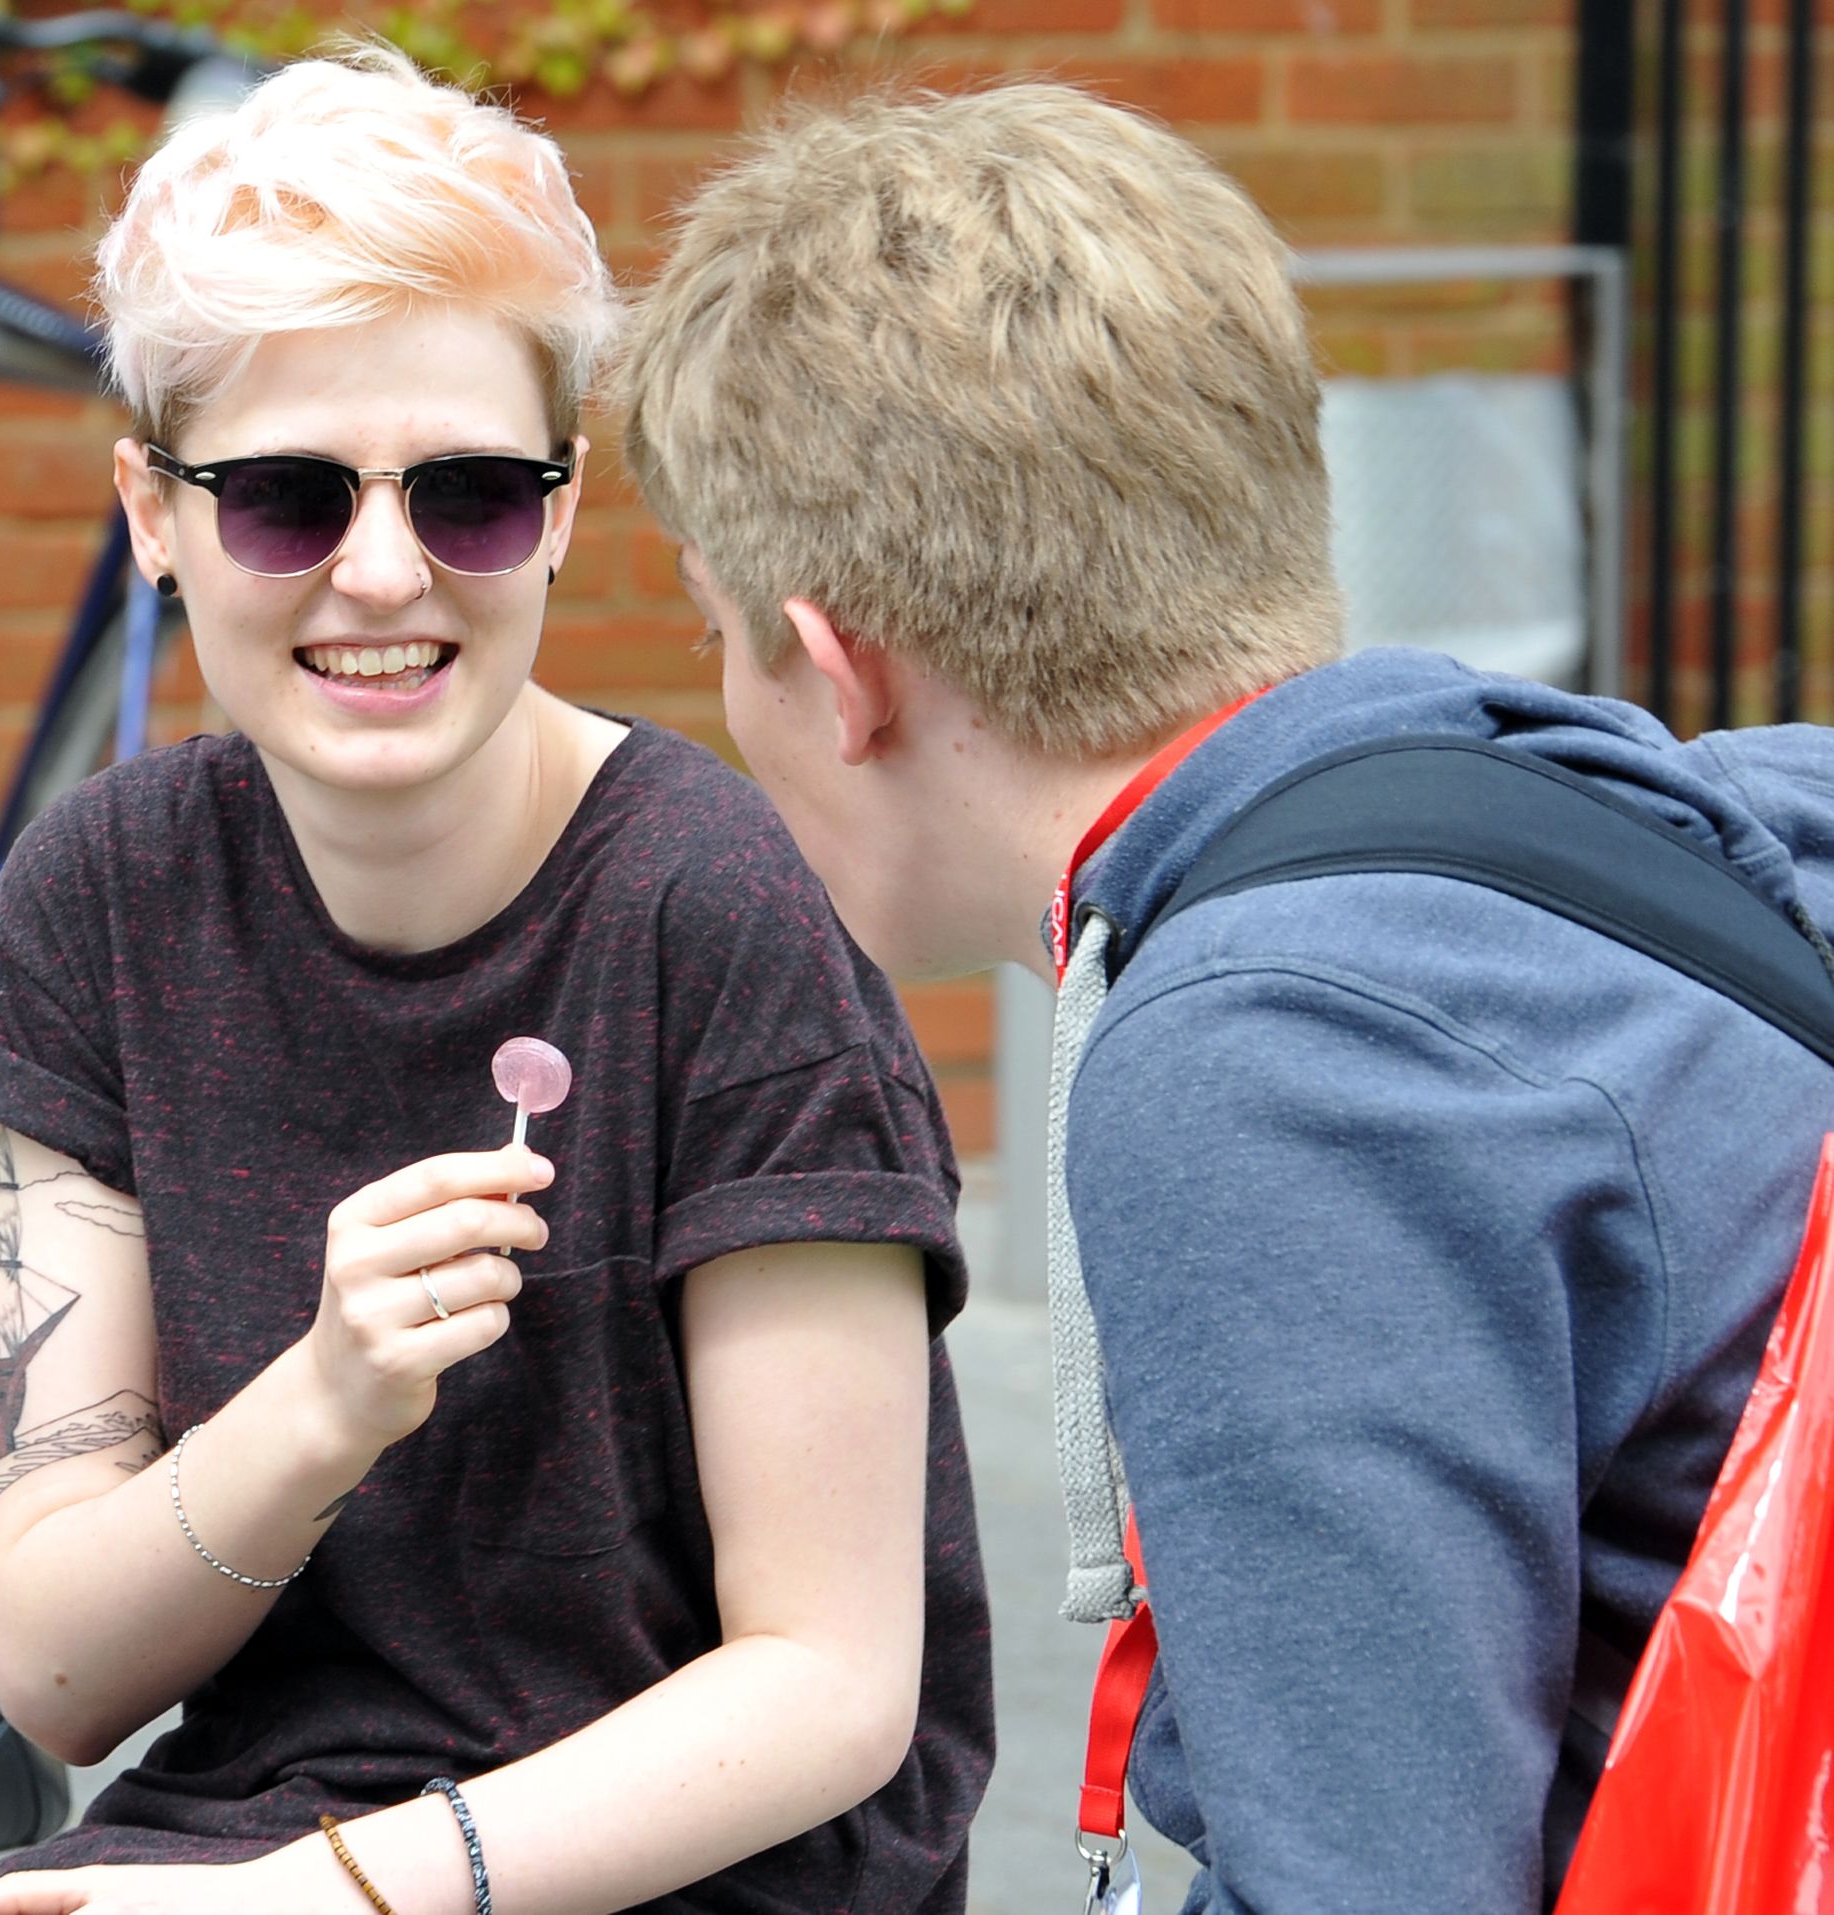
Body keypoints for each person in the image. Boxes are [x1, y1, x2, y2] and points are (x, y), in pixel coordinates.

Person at [613, 80, 1834, 1914]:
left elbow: (1372, 1881)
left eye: (719, 627)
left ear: (829, 665)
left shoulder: (1259, 1063)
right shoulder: (1709, 809)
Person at [0, 49, 994, 1915]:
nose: (381, 570)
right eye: (279, 496)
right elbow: (58, 1669)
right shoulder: (98, 903)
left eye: (472, 494)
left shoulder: (711, 910)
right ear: (150, 515)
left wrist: (314, 1902)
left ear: (567, 509)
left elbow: (828, 1691)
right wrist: (323, 1400)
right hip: (256, 1838)